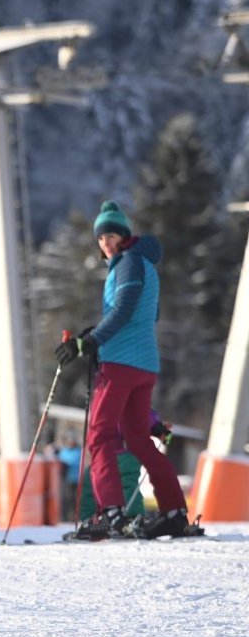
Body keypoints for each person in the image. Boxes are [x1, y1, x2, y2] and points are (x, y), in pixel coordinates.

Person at [54, 201, 192, 540]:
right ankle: (174, 511)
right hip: (144, 363)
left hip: (122, 365)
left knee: (99, 435)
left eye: (111, 235)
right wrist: (96, 333)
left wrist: (91, 341)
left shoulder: (129, 263)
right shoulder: (141, 263)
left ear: (125, 235)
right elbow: (147, 314)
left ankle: (110, 513)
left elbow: (126, 309)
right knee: (138, 441)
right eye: (101, 238)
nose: (106, 243)